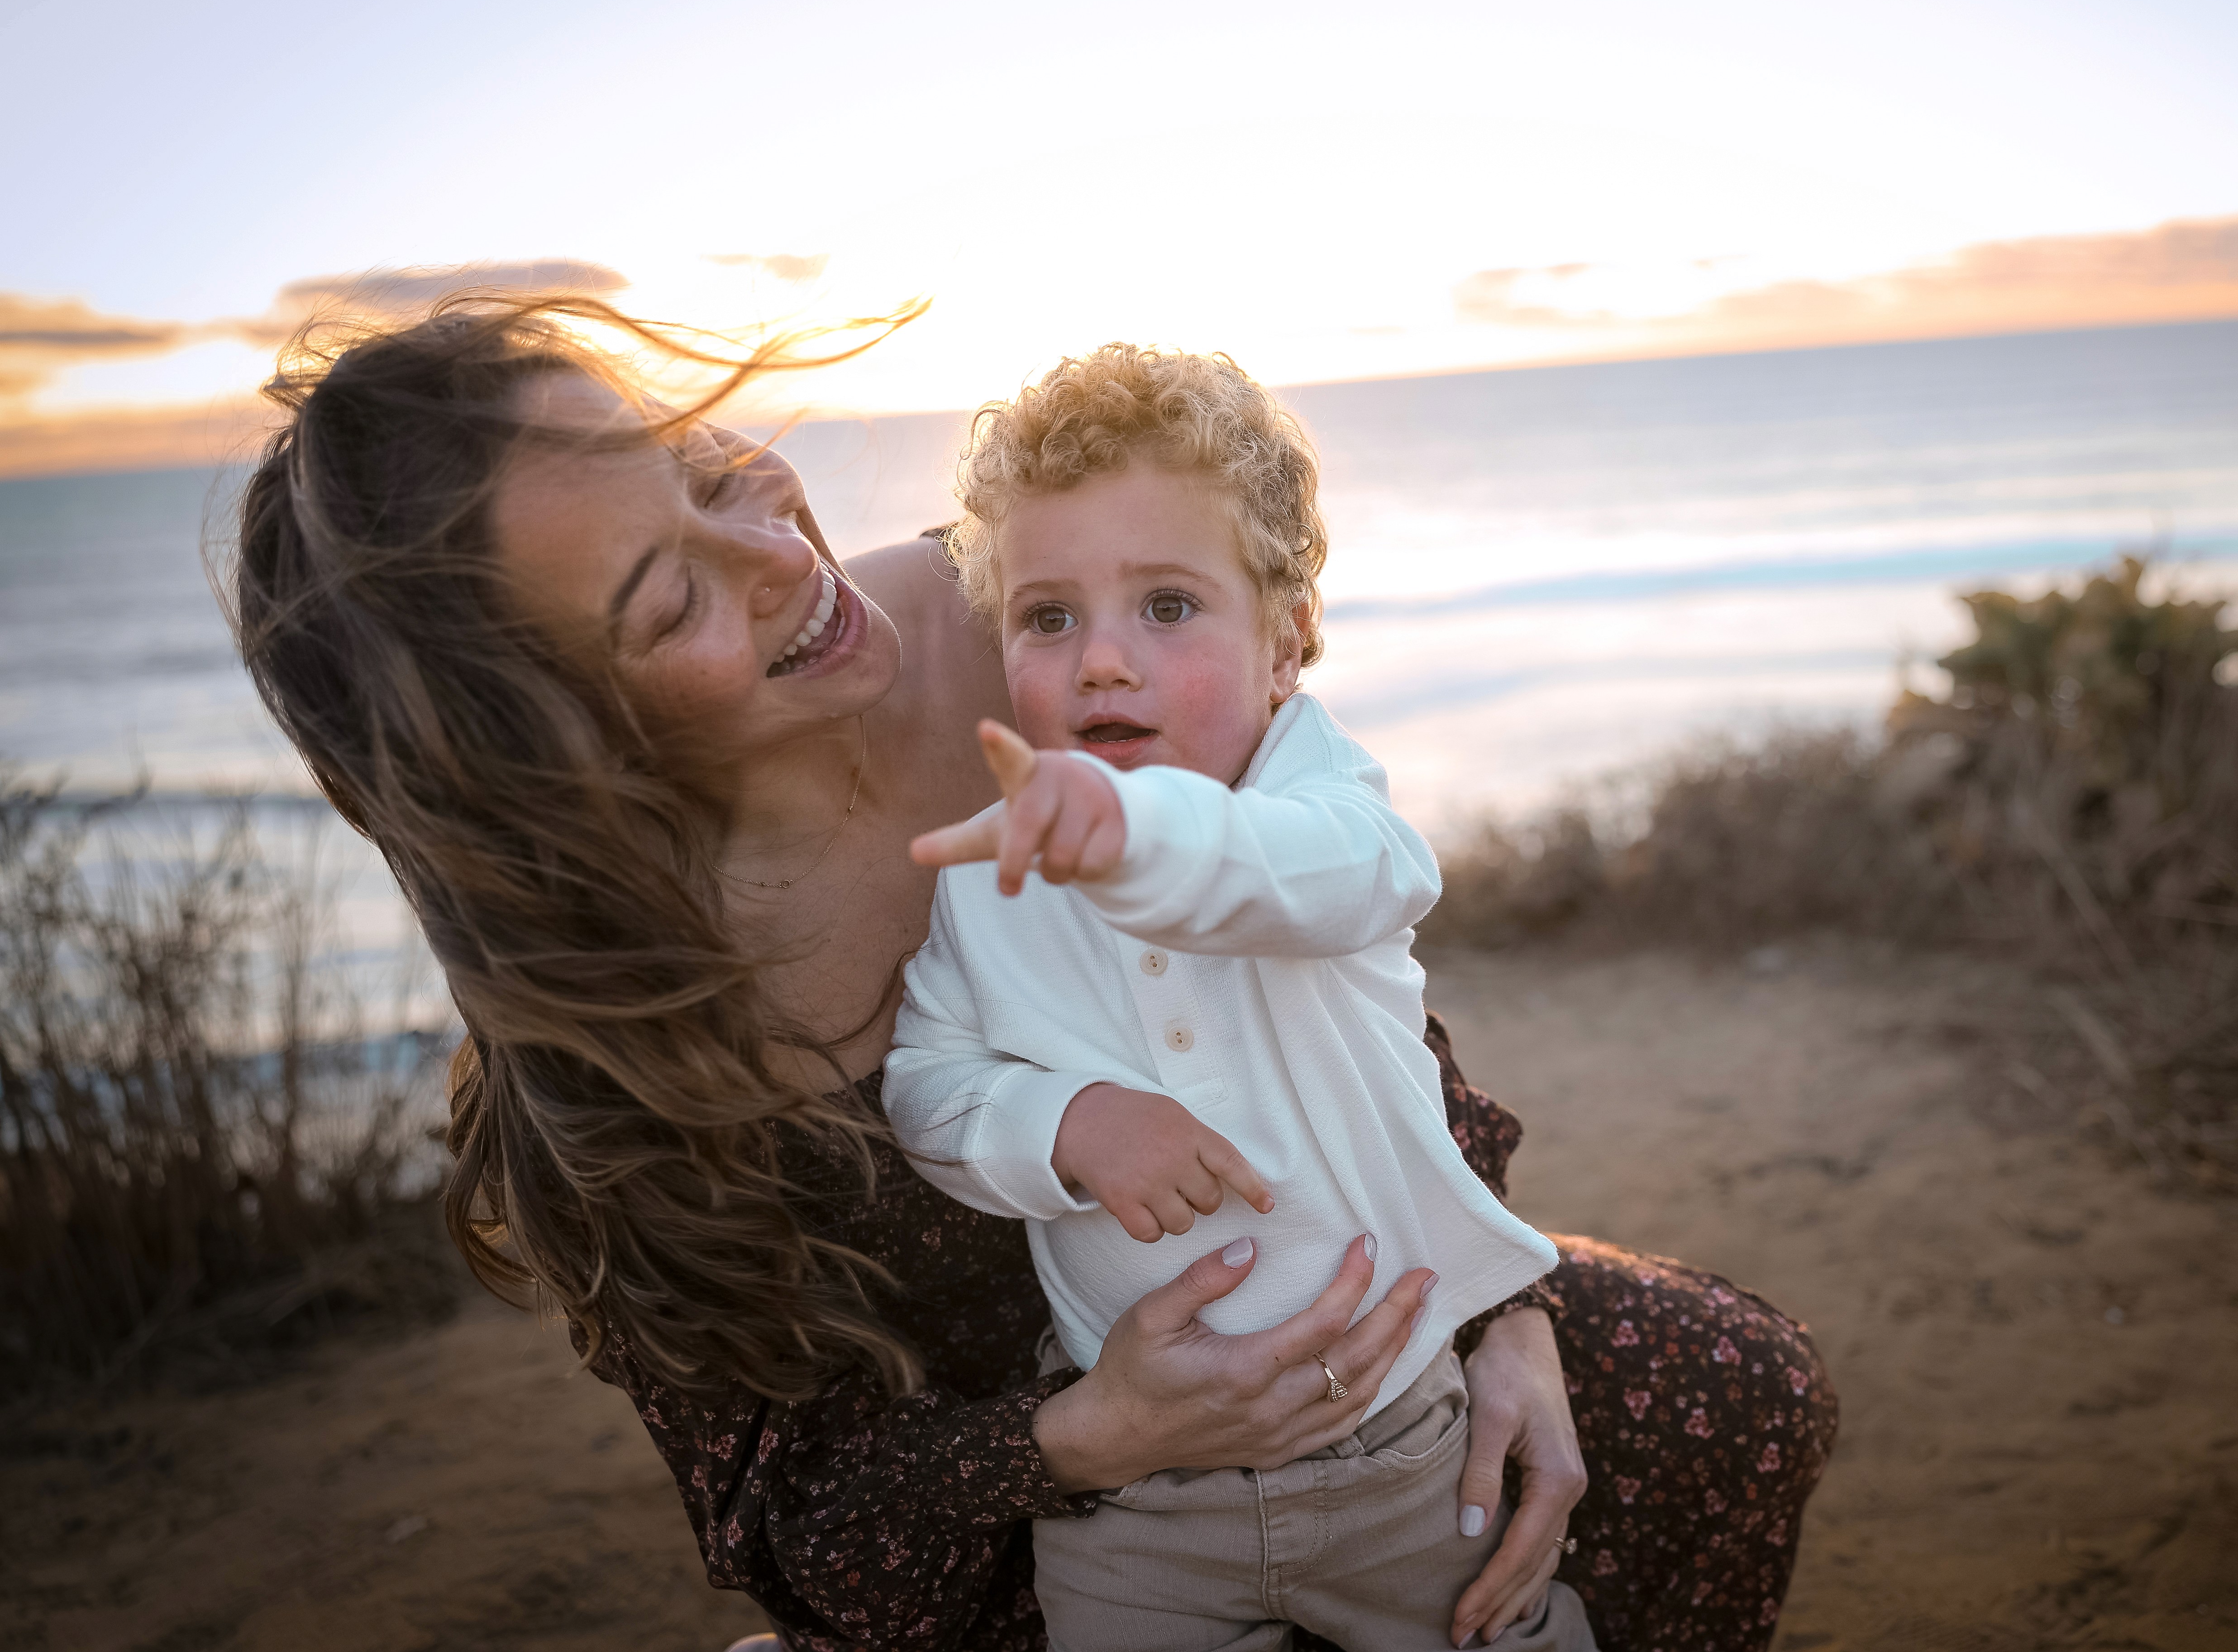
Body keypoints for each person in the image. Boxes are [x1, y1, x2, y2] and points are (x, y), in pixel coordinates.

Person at [229, 296, 1842, 1652]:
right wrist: (1093, 1436)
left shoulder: (1028, 609)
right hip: (1031, 1517)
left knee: (1735, 1392)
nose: (775, 553)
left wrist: (1507, 1309)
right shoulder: (623, 1037)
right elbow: (796, 1519)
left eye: (705, 466)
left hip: (1341, 1316)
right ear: (556, 751)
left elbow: (1334, 965)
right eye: (674, 603)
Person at [885, 346, 1590, 1650]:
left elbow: (1297, 883)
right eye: (1048, 618)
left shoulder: (1327, 823)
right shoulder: (991, 878)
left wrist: (1132, 835)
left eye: (1166, 605)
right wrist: (1067, 1124)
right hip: (1141, 1509)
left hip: (1402, 1452)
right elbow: (925, 1086)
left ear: (1286, 643)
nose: (1101, 660)